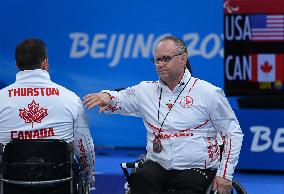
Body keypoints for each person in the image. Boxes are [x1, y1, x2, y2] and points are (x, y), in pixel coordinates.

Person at [84, 35, 243, 194]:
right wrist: (107, 96)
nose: (160, 64)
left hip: (196, 169)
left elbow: (232, 133)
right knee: (140, 177)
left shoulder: (208, 92)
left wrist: (225, 174)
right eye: (157, 60)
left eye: (165, 59)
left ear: (183, 59)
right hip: (159, 166)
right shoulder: (145, 90)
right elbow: (120, 98)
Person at [0, 39, 95, 194]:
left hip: (10, 185)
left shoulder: (1, 98)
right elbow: (84, 147)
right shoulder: (70, 98)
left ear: (17, 65)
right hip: (60, 186)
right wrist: (88, 176)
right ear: (45, 63)